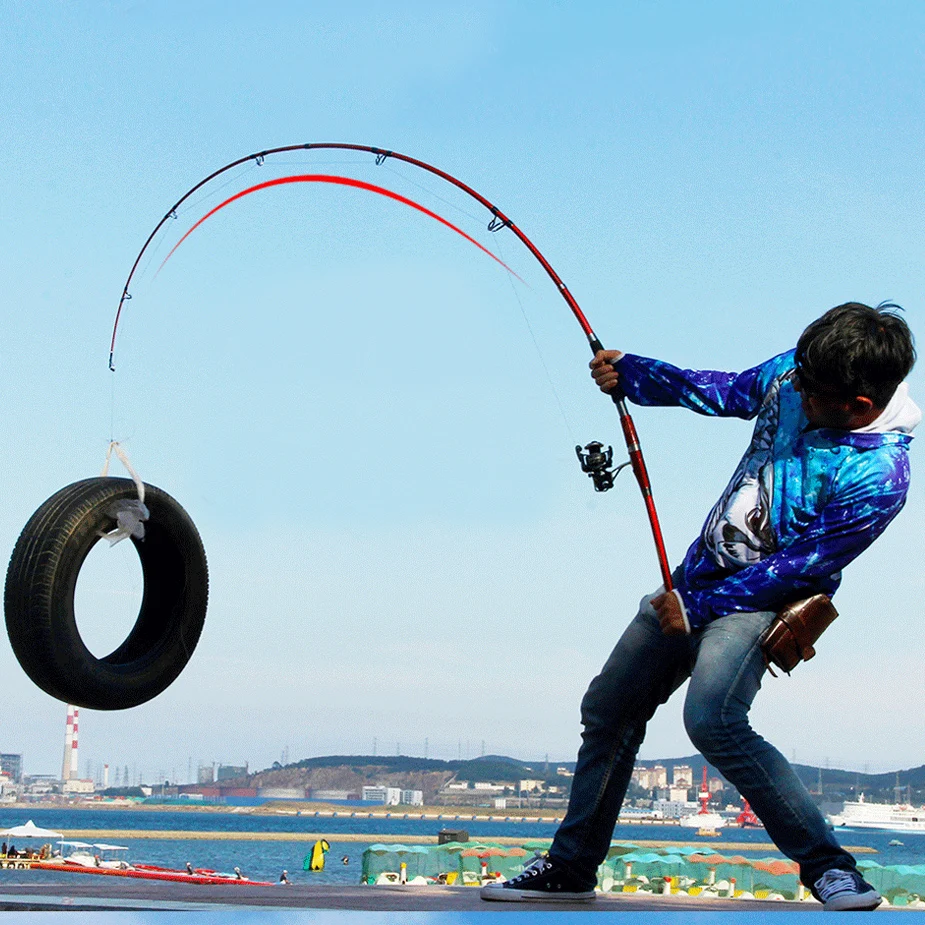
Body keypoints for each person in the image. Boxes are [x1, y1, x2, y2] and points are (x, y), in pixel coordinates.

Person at [482, 302, 918, 910]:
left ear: (860, 407)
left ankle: (830, 867)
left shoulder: (881, 474)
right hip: (692, 582)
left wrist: (697, 607)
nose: (797, 394)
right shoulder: (804, 370)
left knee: (712, 719)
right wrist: (636, 373)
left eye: (813, 396)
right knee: (609, 707)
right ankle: (572, 865)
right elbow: (730, 391)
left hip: (757, 604)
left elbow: (801, 567)